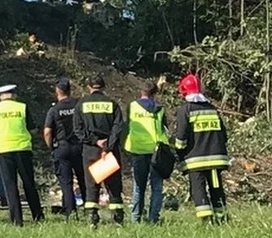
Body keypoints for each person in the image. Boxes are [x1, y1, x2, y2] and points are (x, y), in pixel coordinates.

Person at [173, 74, 230, 224]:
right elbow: (224, 136)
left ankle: (206, 220)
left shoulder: (185, 110)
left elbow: (181, 138)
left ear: (184, 91)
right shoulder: (212, 109)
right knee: (216, 188)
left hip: (195, 161)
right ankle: (221, 218)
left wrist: (177, 149)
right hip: (216, 159)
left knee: (198, 189)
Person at [75, 74, 125, 227]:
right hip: (109, 151)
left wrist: (95, 141)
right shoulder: (112, 104)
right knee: (113, 184)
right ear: (103, 87)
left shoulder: (81, 104)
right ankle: (118, 218)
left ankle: (92, 218)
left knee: (91, 184)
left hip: (90, 150)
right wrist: (108, 145)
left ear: (89, 87)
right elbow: (118, 127)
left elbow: (78, 130)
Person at [0, 84, 44, 225]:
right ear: (14, 95)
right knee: (28, 183)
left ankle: (16, 220)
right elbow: (32, 129)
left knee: (10, 185)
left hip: (3, 150)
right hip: (22, 149)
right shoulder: (22, 107)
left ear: (0, 96)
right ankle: (38, 216)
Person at [124, 77, 169, 224]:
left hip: (137, 149)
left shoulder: (132, 107)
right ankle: (153, 218)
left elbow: (127, 126)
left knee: (139, 187)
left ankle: (135, 218)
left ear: (141, 91)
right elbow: (165, 129)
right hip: (157, 151)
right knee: (156, 187)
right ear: (154, 93)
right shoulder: (160, 109)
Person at [43, 78, 82, 218]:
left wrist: (51, 148)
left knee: (66, 182)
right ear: (70, 91)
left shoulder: (54, 110)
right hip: (79, 147)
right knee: (84, 180)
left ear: (57, 92)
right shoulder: (79, 105)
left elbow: (47, 132)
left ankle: (71, 213)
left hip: (62, 147)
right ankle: (91, 211)